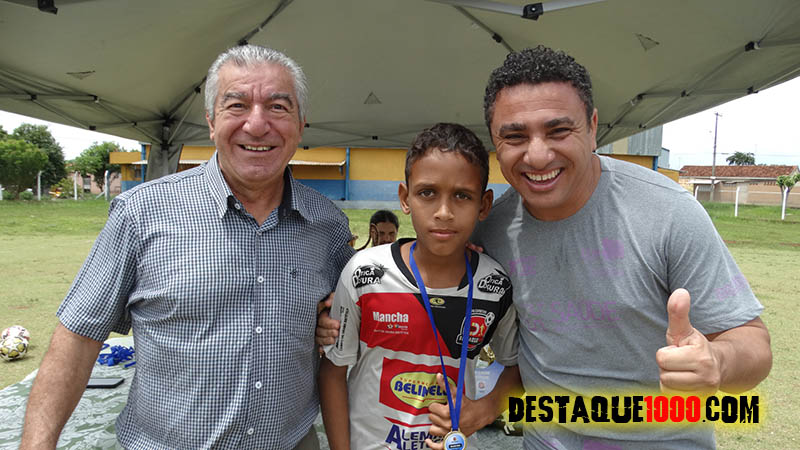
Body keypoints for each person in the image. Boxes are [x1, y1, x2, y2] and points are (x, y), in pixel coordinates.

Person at [318, 46, 772, 449]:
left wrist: (717, 360)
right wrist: (334, 310)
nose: (537, 155)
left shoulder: (667, 212)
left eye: (558, 131)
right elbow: (425, 274)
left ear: (592, 127)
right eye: (515, 136)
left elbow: (754, 344)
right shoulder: (491, 226)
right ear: (497, 142)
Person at [20, 45, 355, 449]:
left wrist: (327, 320)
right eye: (237, 105)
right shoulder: (141, 213)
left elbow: (349, 318)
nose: (256, 124)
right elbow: (78, 338)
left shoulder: (327, 225)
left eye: (278, 107)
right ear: (211, 122)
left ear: (300, 126)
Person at [318, 123, 521, 450]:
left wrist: (483, 411)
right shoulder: (365, 273)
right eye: (428, 193)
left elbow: (519, 366)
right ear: (405, 198)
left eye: (462, 196)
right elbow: (333, 371)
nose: (444, 212)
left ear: (484, 205)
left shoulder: (494, 285)